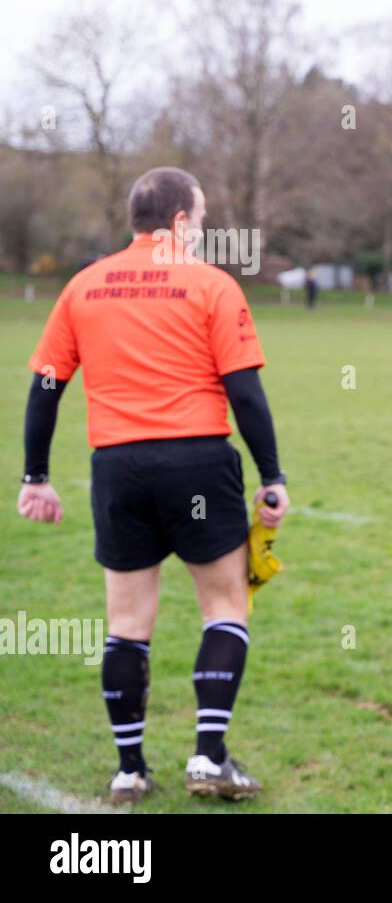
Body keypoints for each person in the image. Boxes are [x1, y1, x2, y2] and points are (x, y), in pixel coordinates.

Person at [17, 167, 289, 804]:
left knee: (126, 624)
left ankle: (130, 770)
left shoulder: (84, 286)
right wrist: (271, 475)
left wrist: (36, 476)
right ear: (180, 223)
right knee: (225, 609)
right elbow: (245, 393)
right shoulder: (211, 285)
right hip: (196, 462)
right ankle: (209, 756)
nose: (203, 231)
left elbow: (47, 386)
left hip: (119, 470)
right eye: (200, 219)